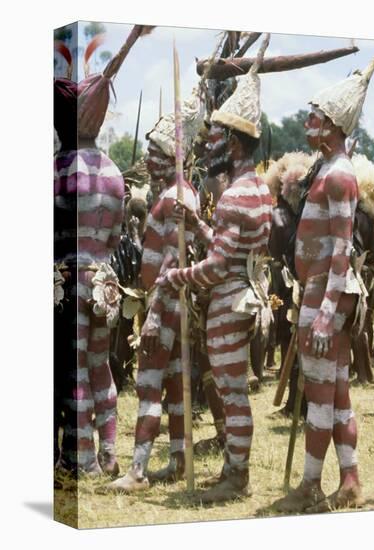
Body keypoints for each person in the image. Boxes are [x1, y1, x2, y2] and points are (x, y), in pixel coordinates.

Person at [274, 43, 374, 513]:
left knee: (320, 394)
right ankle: (350, 482)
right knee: (337, 394)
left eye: (317, 118)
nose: (309, 125)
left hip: (327, 296)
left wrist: (323, 314)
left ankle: (309, 488)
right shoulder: (326, 170)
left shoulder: (339, 176)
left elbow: (342, 245)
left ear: (336, 125)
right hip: (323, 292)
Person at [156, 38, 273, 503]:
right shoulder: (258, 189)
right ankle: (232, 469)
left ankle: (237, 478)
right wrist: (199, 224)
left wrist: (174, 278)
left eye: (219, 137)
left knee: (231, 392)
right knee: (231, 389)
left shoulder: (233, 195)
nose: (210, 144)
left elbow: (218, 265)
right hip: (247, 292)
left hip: (230, 300)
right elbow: (234, 247)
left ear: (237, 142)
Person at [54, 26, 149, 477]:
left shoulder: (59, 169)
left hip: (68, 282)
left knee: (73, 372)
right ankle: (110, 454)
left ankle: (82, 460)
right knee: (101, 368)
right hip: (106, 281)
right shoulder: (114, 173)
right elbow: (114, 240)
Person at [106, 91, 204, 492]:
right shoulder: (181, 195)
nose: (148, 160)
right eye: (147, 152)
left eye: (154, 153)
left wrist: (152, 313)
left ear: (171, 158)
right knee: (177, 384)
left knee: (149, 385)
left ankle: (138, 471)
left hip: (165, 306)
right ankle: (179, 461)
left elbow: (169, 265)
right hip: (176, 306)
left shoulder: (170, 200)